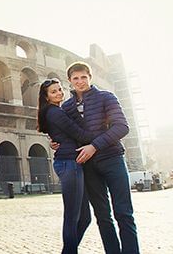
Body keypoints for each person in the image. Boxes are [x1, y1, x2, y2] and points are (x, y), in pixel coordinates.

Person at [54, 61, 139, 254]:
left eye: (84, 77)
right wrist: (57, 143)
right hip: (88, 166)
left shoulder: (106, 97)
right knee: (102, 216)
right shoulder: (67, 107)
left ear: (90, 77)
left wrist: (94, 146)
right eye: (75, 78)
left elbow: (122, 127)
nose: (80, 81)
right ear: (70, 81)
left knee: (124, 213)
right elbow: (67, 135)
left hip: (113, 159)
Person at [37, 78, 93, 254]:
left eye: (60, 89)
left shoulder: (54, 112)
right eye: (53, 92)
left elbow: (64, 134)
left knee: (84, 218)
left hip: (70, 163)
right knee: (72, 217)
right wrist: (102, 135)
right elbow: (80, 134)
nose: (59, 93)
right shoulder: (55, 113)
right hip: (69, 164)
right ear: (46, 97)